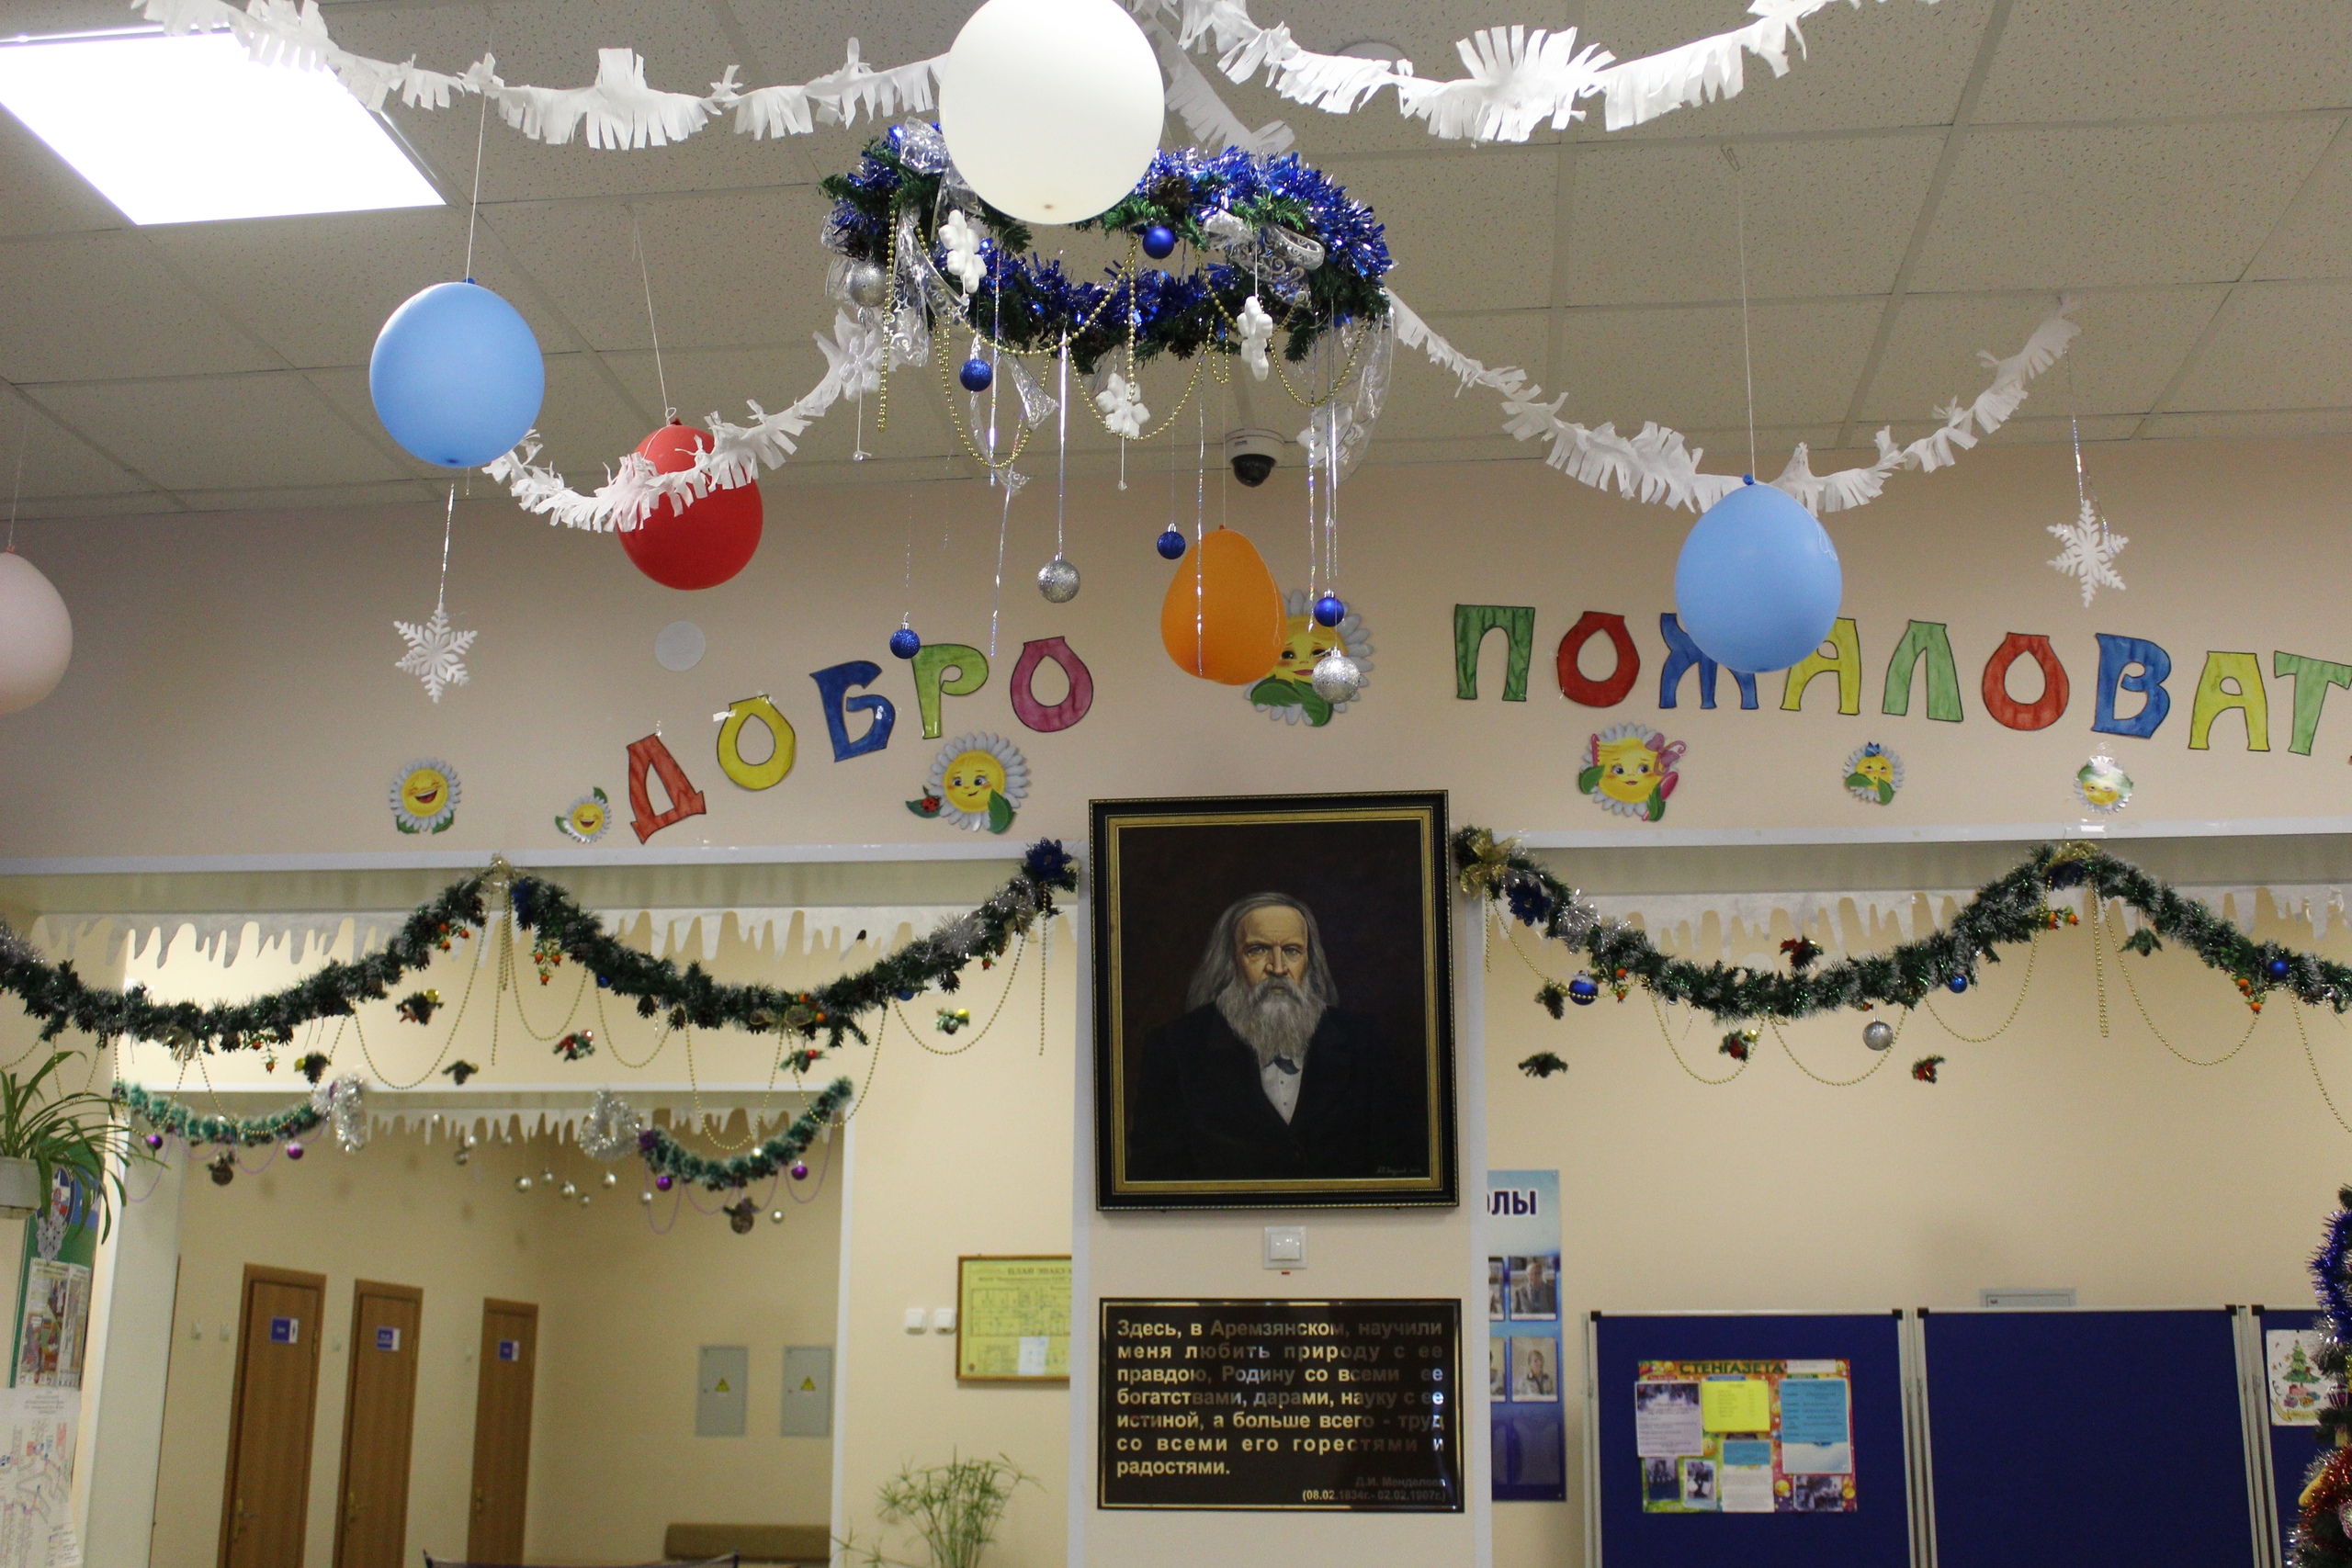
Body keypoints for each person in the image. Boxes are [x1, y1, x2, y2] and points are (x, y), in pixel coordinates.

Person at [1125, 892, 1423, 1182]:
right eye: (1257, 950)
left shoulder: (1365, 1042)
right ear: (1231, 961)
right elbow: (1155, 1176)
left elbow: (1399, 1164)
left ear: (1309, 961)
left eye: (1292, 950)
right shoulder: (1175, 1048)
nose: (1278, 968)